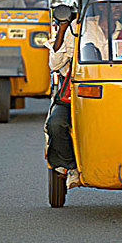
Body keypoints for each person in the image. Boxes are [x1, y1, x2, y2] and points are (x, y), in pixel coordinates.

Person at [43, 15, 79, 189]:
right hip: (73, 94)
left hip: (118, 91)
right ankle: (71, 166)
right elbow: (55, 65)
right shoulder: (76, 27)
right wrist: (63, 29)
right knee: (55, 125)